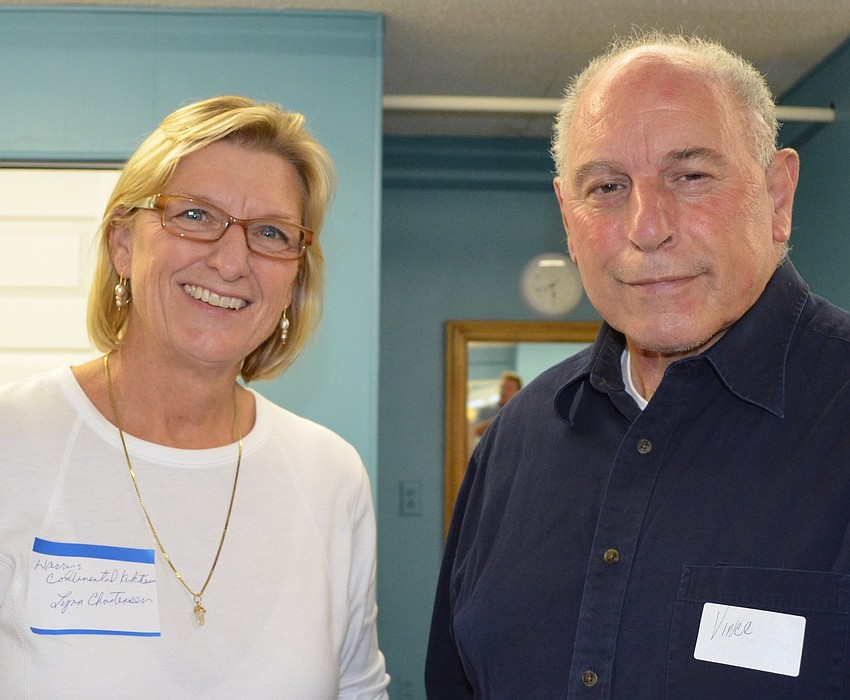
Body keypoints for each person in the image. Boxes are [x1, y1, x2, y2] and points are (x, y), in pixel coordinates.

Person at [426, 32, 850, 698]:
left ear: (778, 196)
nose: (647, 226)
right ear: (568, 218)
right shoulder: (516, 440)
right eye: (607, 186)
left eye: (691, 175)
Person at [0, 96, 389, 698]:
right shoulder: (13, 441)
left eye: (270, 232)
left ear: (293, 282)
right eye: (195, 216)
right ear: (124, 244)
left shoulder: (330, 476)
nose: (232, 261)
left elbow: (359, 690)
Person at [472, 371, 522, 437]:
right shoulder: (485, 411)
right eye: (503, 387)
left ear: (518, 392)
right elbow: (477, 431)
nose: (504, 391)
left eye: (509, 388)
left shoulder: (521, 414)